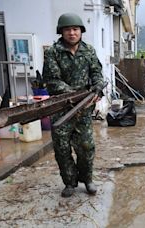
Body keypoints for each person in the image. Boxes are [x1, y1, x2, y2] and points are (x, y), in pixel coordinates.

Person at [43, 13, 104, 197]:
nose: (72, 33)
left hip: (83, 109)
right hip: (61, 109)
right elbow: (52, 80)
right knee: (62, 148)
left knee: (86, 146)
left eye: (75, 29)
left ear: (81, 31)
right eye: (68, 29)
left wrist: (98, 88)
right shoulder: (53, 52)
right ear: (61, 32)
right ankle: (69, 182)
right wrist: (74, 94)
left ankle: (87, 179)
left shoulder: (89, 50)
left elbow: (96, 73)